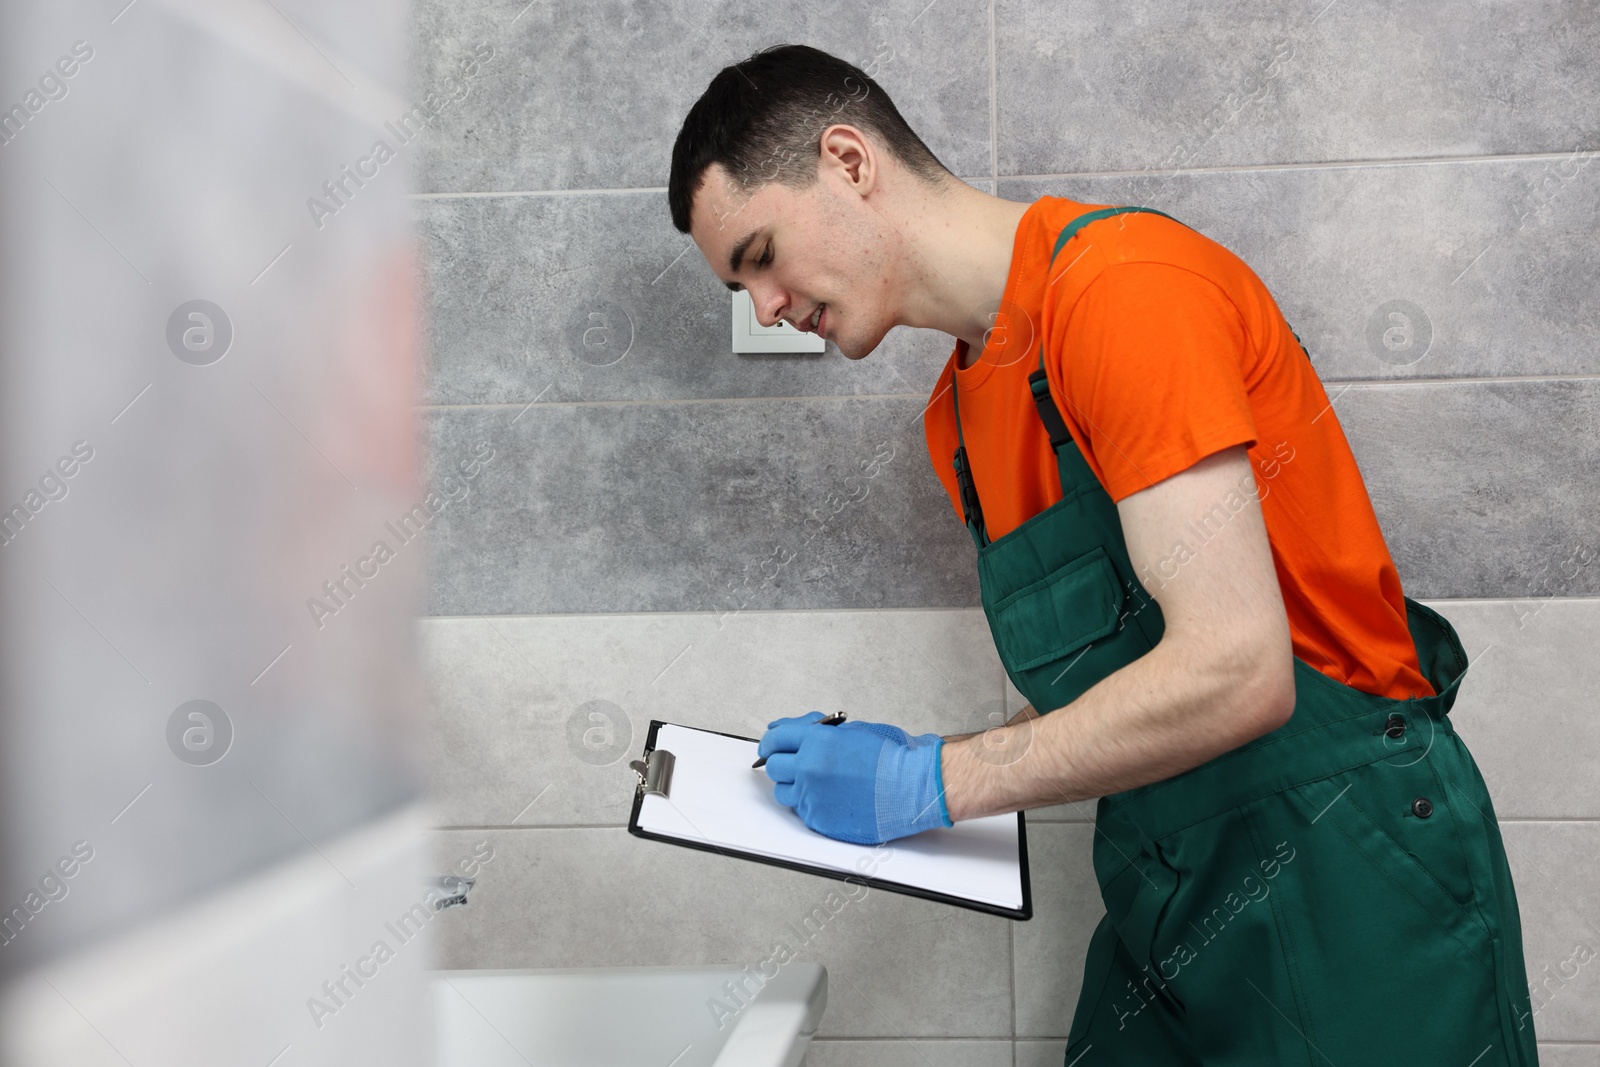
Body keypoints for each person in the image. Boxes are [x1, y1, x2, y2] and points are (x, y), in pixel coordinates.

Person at [667, 43, 1539, 1066]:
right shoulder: (955, 417)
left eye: (760, 255)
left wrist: (935, 779)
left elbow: (1235, 671)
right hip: (1168, 882)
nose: (765, 307)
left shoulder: (1122, 291)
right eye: (741, 285)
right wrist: (905, 768)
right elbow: (1122, 672)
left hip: (1349, 871)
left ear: (850, 161)